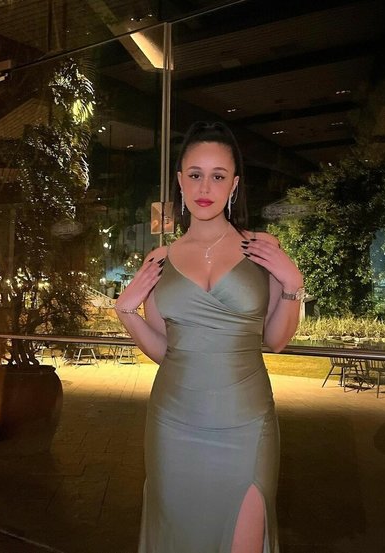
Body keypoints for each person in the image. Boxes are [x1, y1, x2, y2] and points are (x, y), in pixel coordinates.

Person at [114, 121, 304, 553]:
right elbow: (166, 351)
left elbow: (276, 340)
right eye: (195, 174)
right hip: (173, 423)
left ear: (234, 185)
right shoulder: (160, 259)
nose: (205, 187)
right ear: (180, 182)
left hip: (247, 423)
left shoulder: (261, 248)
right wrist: (125, 313)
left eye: (218, 176)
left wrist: (293, 283)